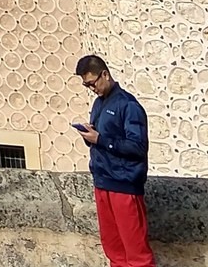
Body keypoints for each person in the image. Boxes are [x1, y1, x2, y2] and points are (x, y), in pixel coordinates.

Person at [76, 55, 154, 267]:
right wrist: (90, 136)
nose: (92, 89)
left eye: (92, 83)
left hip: (124, 186)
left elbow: (138, 147)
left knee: (136, 254)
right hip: (103, 182)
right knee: (114, 250)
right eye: (86, 85)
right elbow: (101, 140)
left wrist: (101, 139)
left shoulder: (128, 105)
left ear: (105, 75)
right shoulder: (98, 104)